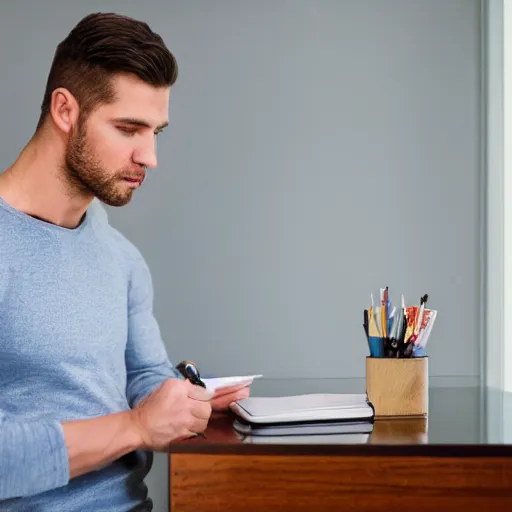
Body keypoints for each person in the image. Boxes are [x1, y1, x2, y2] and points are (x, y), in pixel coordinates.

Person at [0, 12, 250, 511]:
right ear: (65, 111)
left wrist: (185, 398)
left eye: (156, 131)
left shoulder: (121, 259)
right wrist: (136, 426)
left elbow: (144, 375)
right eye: (129, 128)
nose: (150, 156)